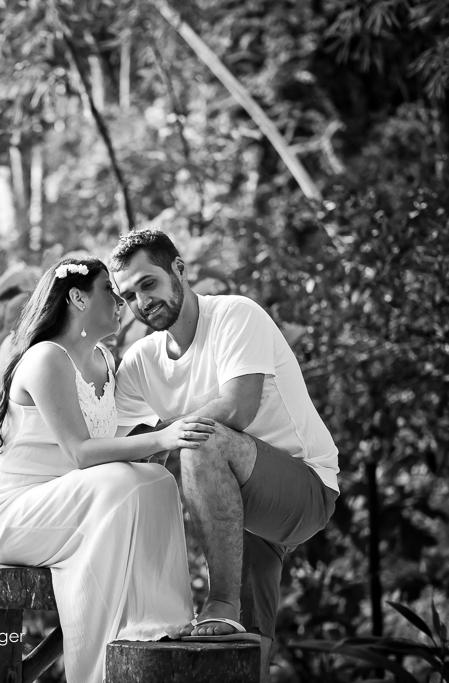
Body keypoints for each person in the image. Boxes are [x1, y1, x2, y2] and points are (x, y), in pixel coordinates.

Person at [0, 256, 216, 683]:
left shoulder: (104, 359)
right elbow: (82, 453)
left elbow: (118, 442)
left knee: (157, 481)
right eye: (111, 289)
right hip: (15, 515)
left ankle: (159, 633)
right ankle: (95, 670)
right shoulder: (47, 358)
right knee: (122, 481)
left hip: (75, 502)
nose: (122, 299)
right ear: (76, 297)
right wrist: (163, 438)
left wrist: (165, 431)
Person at [107, 230, 339, 651]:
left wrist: (164, 436)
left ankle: (220, 601)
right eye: (128, 296)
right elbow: (119, 446)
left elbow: (237, 408)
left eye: (149, 283)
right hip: (233, 507)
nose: (142, 303)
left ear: (179, 269)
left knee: (202, 440)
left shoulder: (235, 315)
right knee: (247, 648)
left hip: (303, 488)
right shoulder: (142, 359)